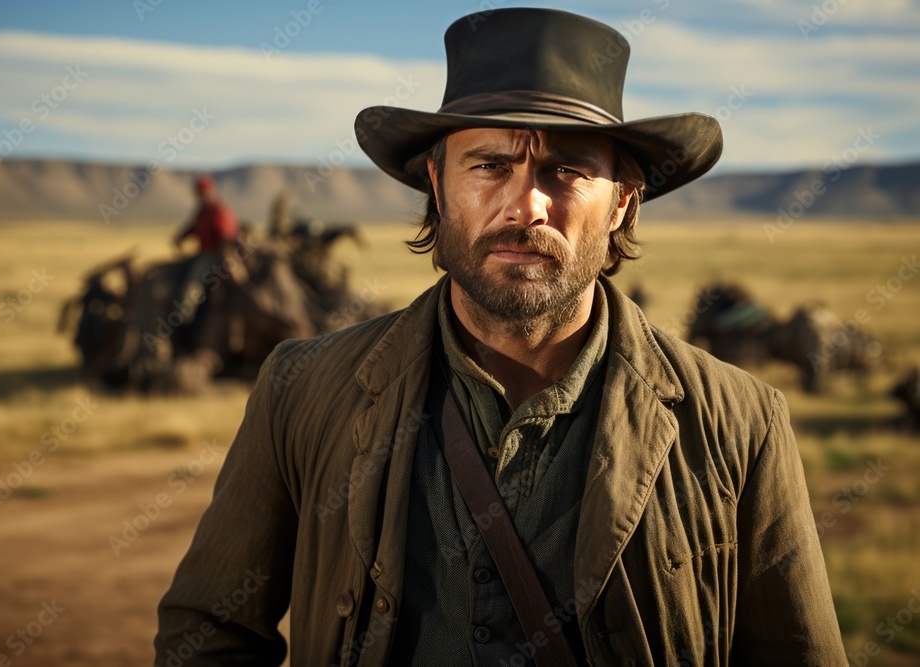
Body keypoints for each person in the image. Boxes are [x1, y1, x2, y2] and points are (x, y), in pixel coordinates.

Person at [155, 9, 845, 666]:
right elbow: (209, 632)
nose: (526, 205)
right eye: (489, 165)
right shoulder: (303, 390)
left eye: (566, 169)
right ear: (438, 181)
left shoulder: (741, 424)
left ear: (624, 200)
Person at [172, 174, 238, 342]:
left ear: (211, 193)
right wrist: (179, 238)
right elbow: (192, 228)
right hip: (202, 252)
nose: (201, 197)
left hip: (215, 255)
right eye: (199, 194)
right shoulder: (202, 212)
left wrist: (227, 262)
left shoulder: (219, 212)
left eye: (204, 194)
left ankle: (184, 317)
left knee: (192, 282)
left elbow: (226, 238)